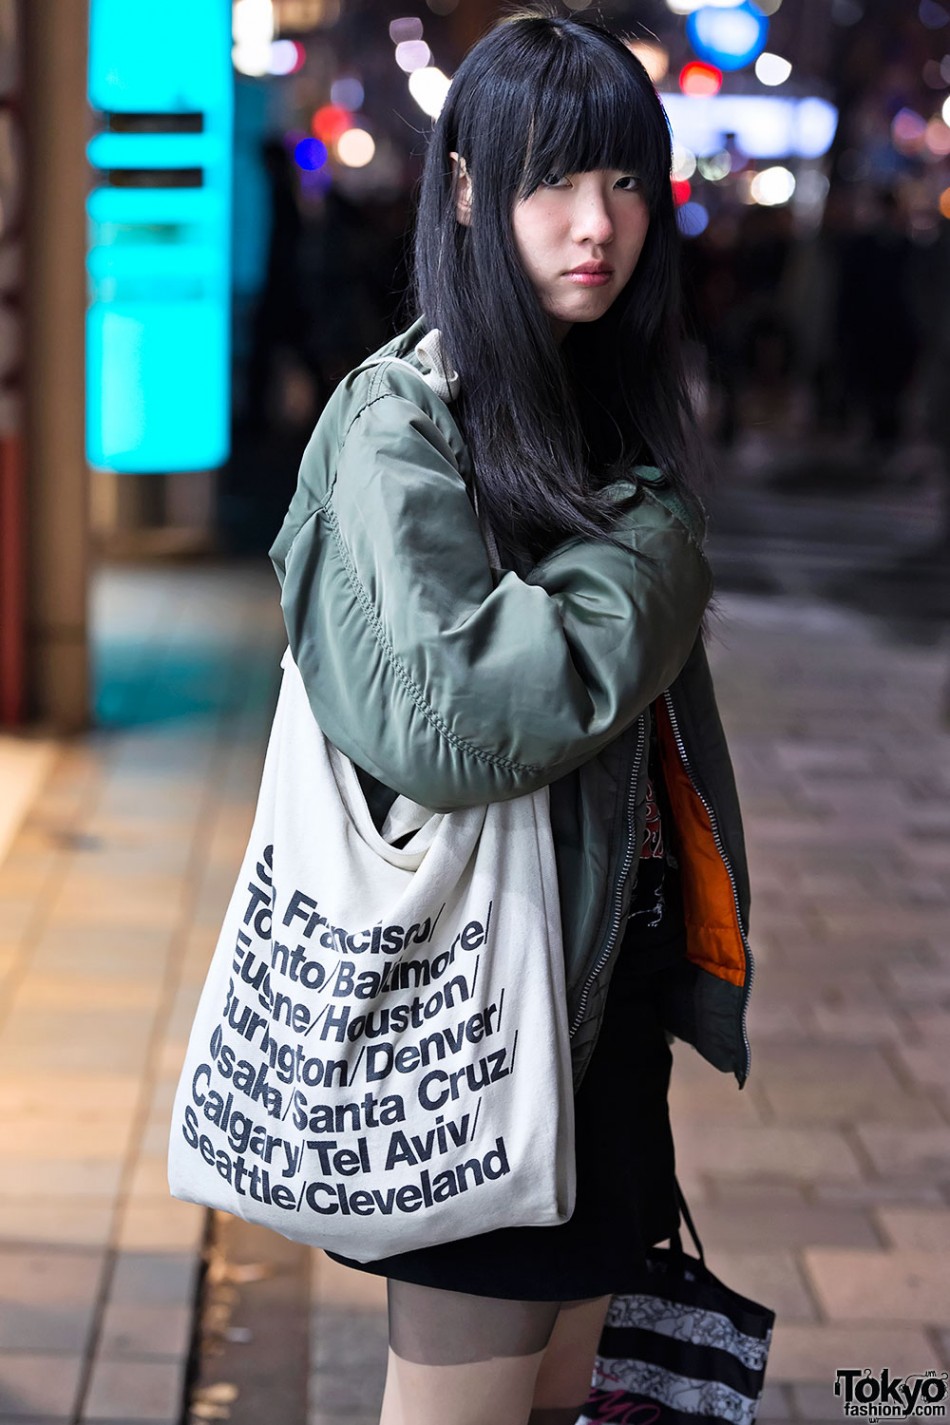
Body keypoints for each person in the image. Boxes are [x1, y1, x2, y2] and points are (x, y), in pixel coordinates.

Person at [268, 11, 754, 1424]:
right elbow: (459, 713)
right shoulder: (396, 420)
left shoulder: (602, 418)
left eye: (620, 182)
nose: (592, 223)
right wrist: (653, 549)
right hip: (464, 1021)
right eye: (549, 182)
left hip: (600, 1009)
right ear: (469, 190)